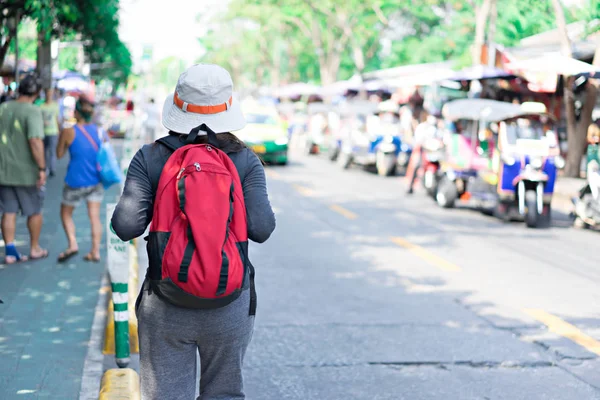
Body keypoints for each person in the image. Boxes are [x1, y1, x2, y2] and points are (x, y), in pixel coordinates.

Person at [111, 64, 276, 399]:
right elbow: (262, 228)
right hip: (229, 303)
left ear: (177, 105)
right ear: (229, 106)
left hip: (166, 302)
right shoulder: (244, 160)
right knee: (225, 393)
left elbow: (125, 226)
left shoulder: (150, 157)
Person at [0, 73, 48, 263]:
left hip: (4, 170)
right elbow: (35, 141)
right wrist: (42, 168)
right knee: (34, 210)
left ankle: (10, 251)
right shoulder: (32, 111)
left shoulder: (3, 107)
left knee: (9, 211)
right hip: (26, 172)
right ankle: (34, 248)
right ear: (36, 92)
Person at [55, 97, 104, 263]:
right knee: (94, 217)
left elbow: (59, 154)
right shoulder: (98, 131)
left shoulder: (69, 131)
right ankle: (95, 251)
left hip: (74, 181)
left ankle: (72, 244)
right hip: (95, 180)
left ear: (75, 112)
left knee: (66, 213)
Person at [407, 111, 438, 194]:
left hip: (431, 151)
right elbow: (418, 140)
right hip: (421, 149)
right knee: (416, 165)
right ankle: (410, 186)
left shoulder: (433, 129)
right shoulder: (421, 127)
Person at [40, 88, 61, 177]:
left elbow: (57, 118)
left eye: (51, 93)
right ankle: (44, 168)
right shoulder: (41, 106)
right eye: (48, 93)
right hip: (43, 132)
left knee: (52, 151)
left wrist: (59, 130)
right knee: (44, 152)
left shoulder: (55, 105)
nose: (49, 95)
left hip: (53, 131)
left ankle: (52, 168)